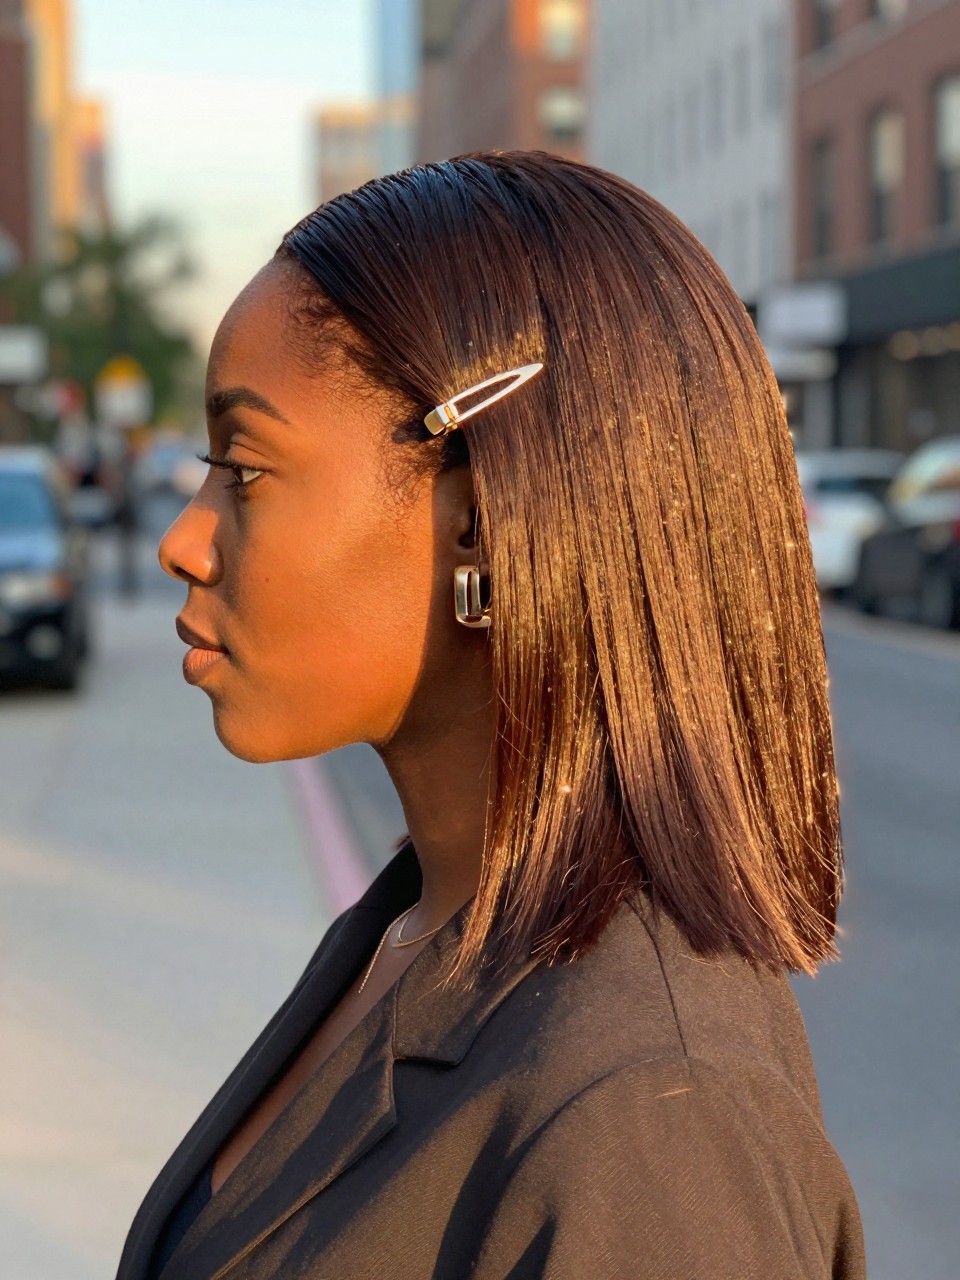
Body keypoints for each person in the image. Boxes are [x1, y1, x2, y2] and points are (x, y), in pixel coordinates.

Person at [116, 151, 866, 1279]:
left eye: (245, 467)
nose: (184, 538)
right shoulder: (422, 929)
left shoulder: (654, 1112)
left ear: (481, 521)